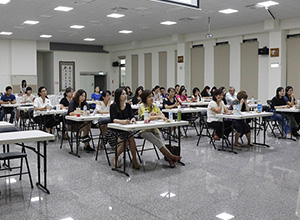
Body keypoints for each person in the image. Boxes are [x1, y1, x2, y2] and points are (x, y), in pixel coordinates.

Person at [138, 90, 181, 168]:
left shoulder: (154, 106)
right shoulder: (142, 106)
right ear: (145, 98)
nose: (151, 98)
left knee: (160, 143)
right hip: (143, 130)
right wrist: (157, 116)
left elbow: (162, 114)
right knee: (158, 142)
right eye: (149, 97)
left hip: (154, 128)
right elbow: (147, 117)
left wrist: (157, 114)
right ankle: (173, 157)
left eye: (152, 96)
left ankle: (170, 159)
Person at [108, 88, 140, 169]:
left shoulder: (128, 106)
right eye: (123, 94)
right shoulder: (113, 106)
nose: (125, 96)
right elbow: (113, 119)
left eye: (125, 94)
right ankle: (115, 157)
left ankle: (134, 159)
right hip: (115, 130)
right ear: (118, 96)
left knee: (131, 138)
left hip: (126, 129)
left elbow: (132, 116)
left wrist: (133, 119)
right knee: (126, 142)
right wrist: (123, 122)